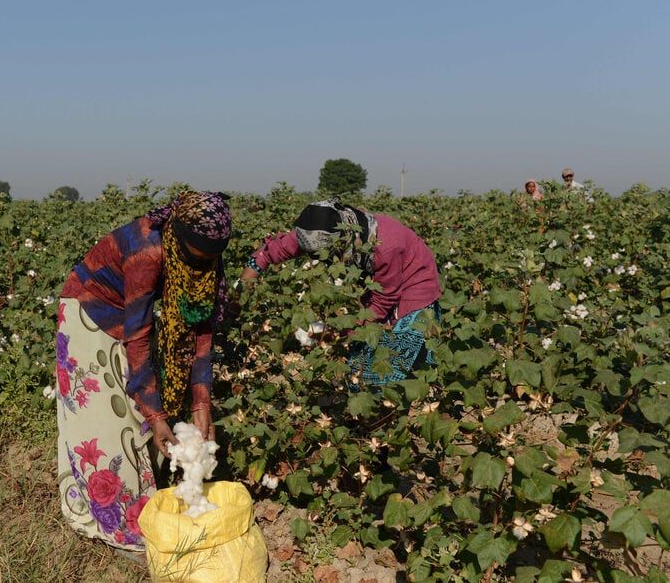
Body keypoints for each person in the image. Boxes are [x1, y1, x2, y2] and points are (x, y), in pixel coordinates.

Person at [55, 190, 232, 554]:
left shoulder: (207, 254)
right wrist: (156, 415)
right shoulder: (146, 252)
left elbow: (201, 326)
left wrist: (201, 402)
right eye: (193, 260)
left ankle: (144, 510)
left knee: (135, 414)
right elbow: (137, 338)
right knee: (109, 423)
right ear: (177, 239)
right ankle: (117, 527)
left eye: (208, 262)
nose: (200, 269)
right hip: (91, 312)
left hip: (128, 317)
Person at [239, 197, 441, 389]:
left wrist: (341, 333)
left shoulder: (385, 247)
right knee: (360, 363)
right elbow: (270, 251)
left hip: (413, 287)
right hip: (375, 288)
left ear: (340, 241)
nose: (319, 259)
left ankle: (390, 411)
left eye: (321, 253)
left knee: (392, 365)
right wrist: (241, 291)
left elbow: (384, 300)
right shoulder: (313, 230)